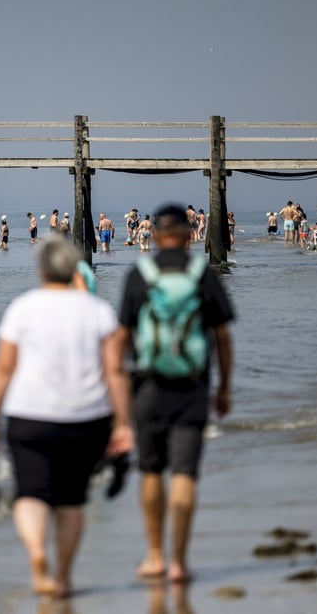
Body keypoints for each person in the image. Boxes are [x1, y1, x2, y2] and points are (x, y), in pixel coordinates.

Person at [0, 236, 133, 598]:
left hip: (29, 414)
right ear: (74, 268)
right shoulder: (97, 311)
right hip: (87, 417)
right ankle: (62, 577)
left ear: (42, 269)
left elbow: (3, 368)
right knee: (71, 500)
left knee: (31, 494)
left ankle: (36, 553)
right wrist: (124, 424)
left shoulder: (22, 308)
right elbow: (115, 371)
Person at [116, 204, 234, 584]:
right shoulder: (202, 274)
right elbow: (222, 337)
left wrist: (115, 390)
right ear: (188, 234)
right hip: (193, 386)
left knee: (151, 470)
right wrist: (224, 388)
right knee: (184, 473)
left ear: (153, 235)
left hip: (147, 386)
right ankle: (179, 562)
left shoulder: (140, 274)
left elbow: (122, 339)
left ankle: (154, 556)